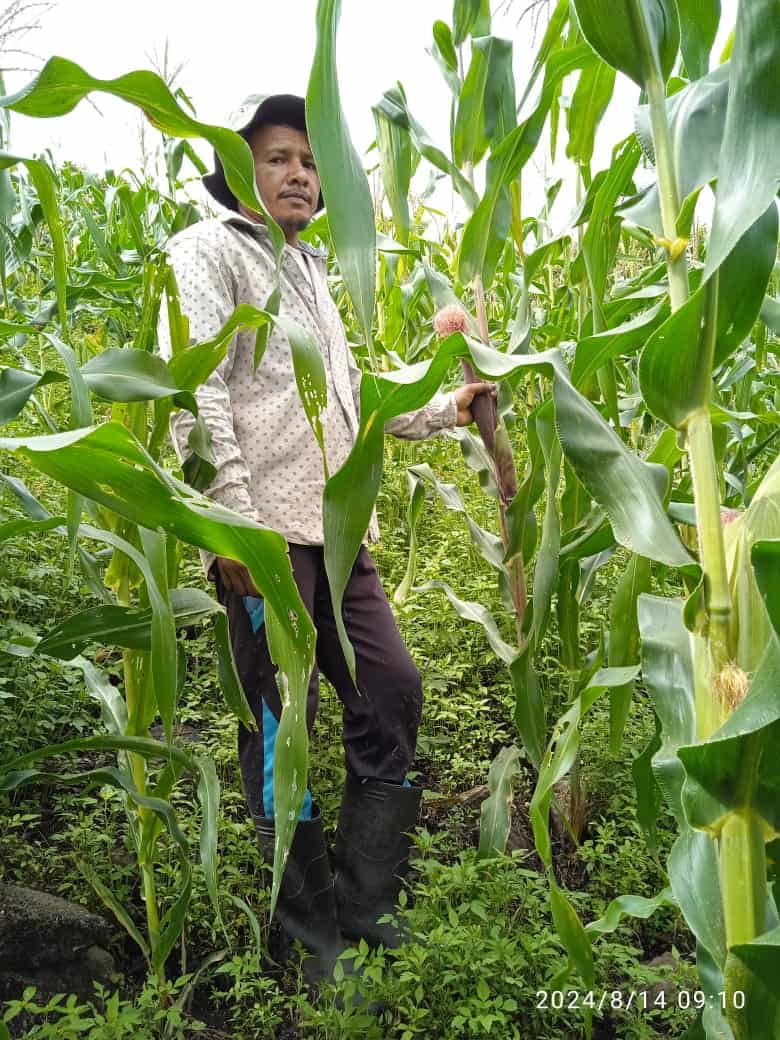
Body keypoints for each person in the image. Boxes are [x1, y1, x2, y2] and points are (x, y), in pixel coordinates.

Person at [157, 93, 494, 984]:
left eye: (309, 160)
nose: (300, 173)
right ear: (237, 170)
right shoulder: (205, 253)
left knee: (391, 690)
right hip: (263, 537)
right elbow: (198, 391)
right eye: (277, 158)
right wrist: (228, 520)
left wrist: (444, 409)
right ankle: (305, 943)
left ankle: (364, 904)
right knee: (282, 729)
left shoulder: (309, 271)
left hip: (337, 535)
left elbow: (352, 402)